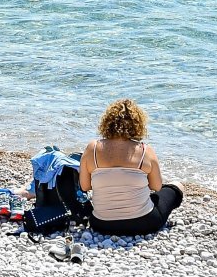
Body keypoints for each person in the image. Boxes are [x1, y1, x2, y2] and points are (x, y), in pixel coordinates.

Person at [79, 98, 184, 235]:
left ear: (107, 123)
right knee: (177, 186)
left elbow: (85, 186)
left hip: (101, 224)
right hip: (144, 223)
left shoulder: (92, 148)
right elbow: (157, 187)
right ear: (138, 124)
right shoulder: (145, 151)